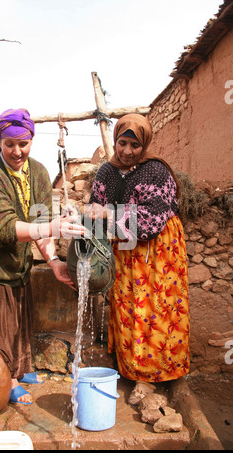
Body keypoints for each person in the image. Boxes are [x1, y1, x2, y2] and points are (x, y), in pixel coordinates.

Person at [0, 108, 85, 405]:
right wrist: (52, 226)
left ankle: (21, 368)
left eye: (23, 144)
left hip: (16, 262)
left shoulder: (37, 172)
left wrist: (53, 262)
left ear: (31, 140)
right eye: (9, 144)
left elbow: (40, 224)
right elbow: (1, 228)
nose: (17, 151)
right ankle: (7, 379)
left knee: (19, 318)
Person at [85, 113, 190, 383]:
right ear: (115, 140)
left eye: (135, 145)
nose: (127, 151)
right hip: (124, 252)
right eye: (122, 143)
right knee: (129, 310)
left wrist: (107, 213)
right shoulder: (106, 172)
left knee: (158, 309)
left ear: (145, 145)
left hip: (157, 252)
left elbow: (152, 220)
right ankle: (132, 372)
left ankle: (160, 375)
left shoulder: (156, 171)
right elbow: (94, 211)